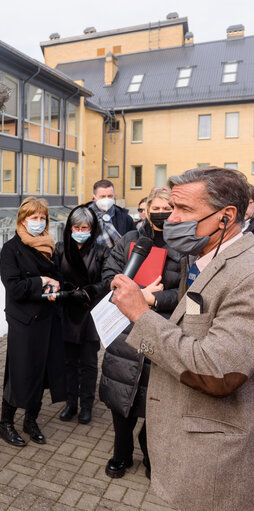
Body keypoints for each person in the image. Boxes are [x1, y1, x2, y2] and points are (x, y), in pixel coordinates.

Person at [110, 167, 254, 511]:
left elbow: (219, 371)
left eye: (184, 210)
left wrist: (140, 317)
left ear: (226, 217)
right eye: (170, 208)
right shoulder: (205, 257)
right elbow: (194, 317)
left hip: (215, 467)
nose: (170, 220)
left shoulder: (245, 273)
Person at [99, 187, 180, 479]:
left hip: (163, 331)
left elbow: (187, 292)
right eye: (156, 207)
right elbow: (109, 274)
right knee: (122, 400)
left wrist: (154, 299)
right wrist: (132, 292)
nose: (162, 212)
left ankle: (150, 455)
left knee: (155, 402)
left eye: (168, 206)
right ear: (145, 210)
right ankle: (121, 455)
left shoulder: (185, 246)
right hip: (125, 333)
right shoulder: (130, 240)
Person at [0, 197, 65, 447]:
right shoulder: (11, 249)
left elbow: (57, 278)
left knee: (42, 370)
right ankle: (5, 423)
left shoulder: (49, 246)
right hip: (23, 321)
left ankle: (31, 420)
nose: (38, 222)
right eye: (33, 218)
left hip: (48, 317)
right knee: (19, 372)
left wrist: (56, 284)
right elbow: (13, 287)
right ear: (22, 220)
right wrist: (42, 282)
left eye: (42, 218)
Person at [54, 205, 109, 425]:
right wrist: (66, 291)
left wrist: (88, 291)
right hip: (67, 311)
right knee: (69, 362)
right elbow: (54, 276)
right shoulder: (60, 249)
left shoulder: (102, 251)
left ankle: (86, 405)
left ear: (92, 228)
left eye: (84, 227)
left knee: (88, 363)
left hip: (90, 313)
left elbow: (107, 281)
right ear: (69, 228)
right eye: (76, 227)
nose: (80, 231)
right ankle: (70, 403)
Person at [87, 179, 136, 252]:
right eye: (102, 196)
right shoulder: (83, 216)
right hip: (91, 260)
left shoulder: (125, 218)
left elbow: (134, 242)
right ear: (94, 197)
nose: (106, 199)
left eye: (110, 196)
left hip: (118, 260)